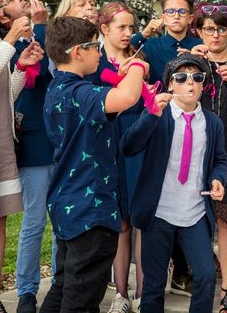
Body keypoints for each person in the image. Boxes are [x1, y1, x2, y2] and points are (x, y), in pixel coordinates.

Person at [40, 17, 148, 313]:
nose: (100, 53)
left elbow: (110, 98)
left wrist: (122, 75)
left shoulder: (59, 88)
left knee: (63, 287)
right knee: (82, 299)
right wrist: (138, 67)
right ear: (78, 51)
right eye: (95, 46)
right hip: (91, 211)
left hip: (67, 204)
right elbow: (128, 97)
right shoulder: (80, 93)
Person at [121, 53, 227, 313]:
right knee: (154, 282)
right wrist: (150, 115)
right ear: (170, 85)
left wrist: (217, 179)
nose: (190, 83)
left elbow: (220, 160)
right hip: (160, 212)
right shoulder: (160, 116)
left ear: (204, 85)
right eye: (181, 78)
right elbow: (129, 146)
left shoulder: (212, 123)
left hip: (194, 212)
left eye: (197, 78)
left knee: (204, 274)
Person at [190, 3, 227, 312]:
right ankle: (201, 283)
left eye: (222, 29)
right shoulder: (192, 60)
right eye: (209, 29)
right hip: (193, 153)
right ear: (199, 31)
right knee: (195, 221)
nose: (215, 35)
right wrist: (194, 68)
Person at [0, 0, 53, 313]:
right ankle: (27, 291)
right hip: (32, 143)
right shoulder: (7, 44)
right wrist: (35, 30)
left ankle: (61, 283)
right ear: (4, 13)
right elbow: (37, 75)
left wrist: (44, 28)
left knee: (60, 222)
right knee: (34, 221)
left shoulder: (46, 35)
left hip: (60, 142)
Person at [94, 2, 147, 313]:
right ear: (105, 29)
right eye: (121, 27)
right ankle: (120, 294)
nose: (128, 33)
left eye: (131, 27)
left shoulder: (141, 58)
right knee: (121, 222)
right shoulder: (94, 60)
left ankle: (142, 293)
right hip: (108, 142)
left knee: (140, 219)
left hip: (137, 142)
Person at [131, 0, 202, 85]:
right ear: (163, 17)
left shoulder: (200, 46)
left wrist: (195, 59)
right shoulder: (150, 45)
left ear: (190, 18)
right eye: (170, 11)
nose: (176, 16)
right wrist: (143, 34)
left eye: (182, 11)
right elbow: (123, 53)